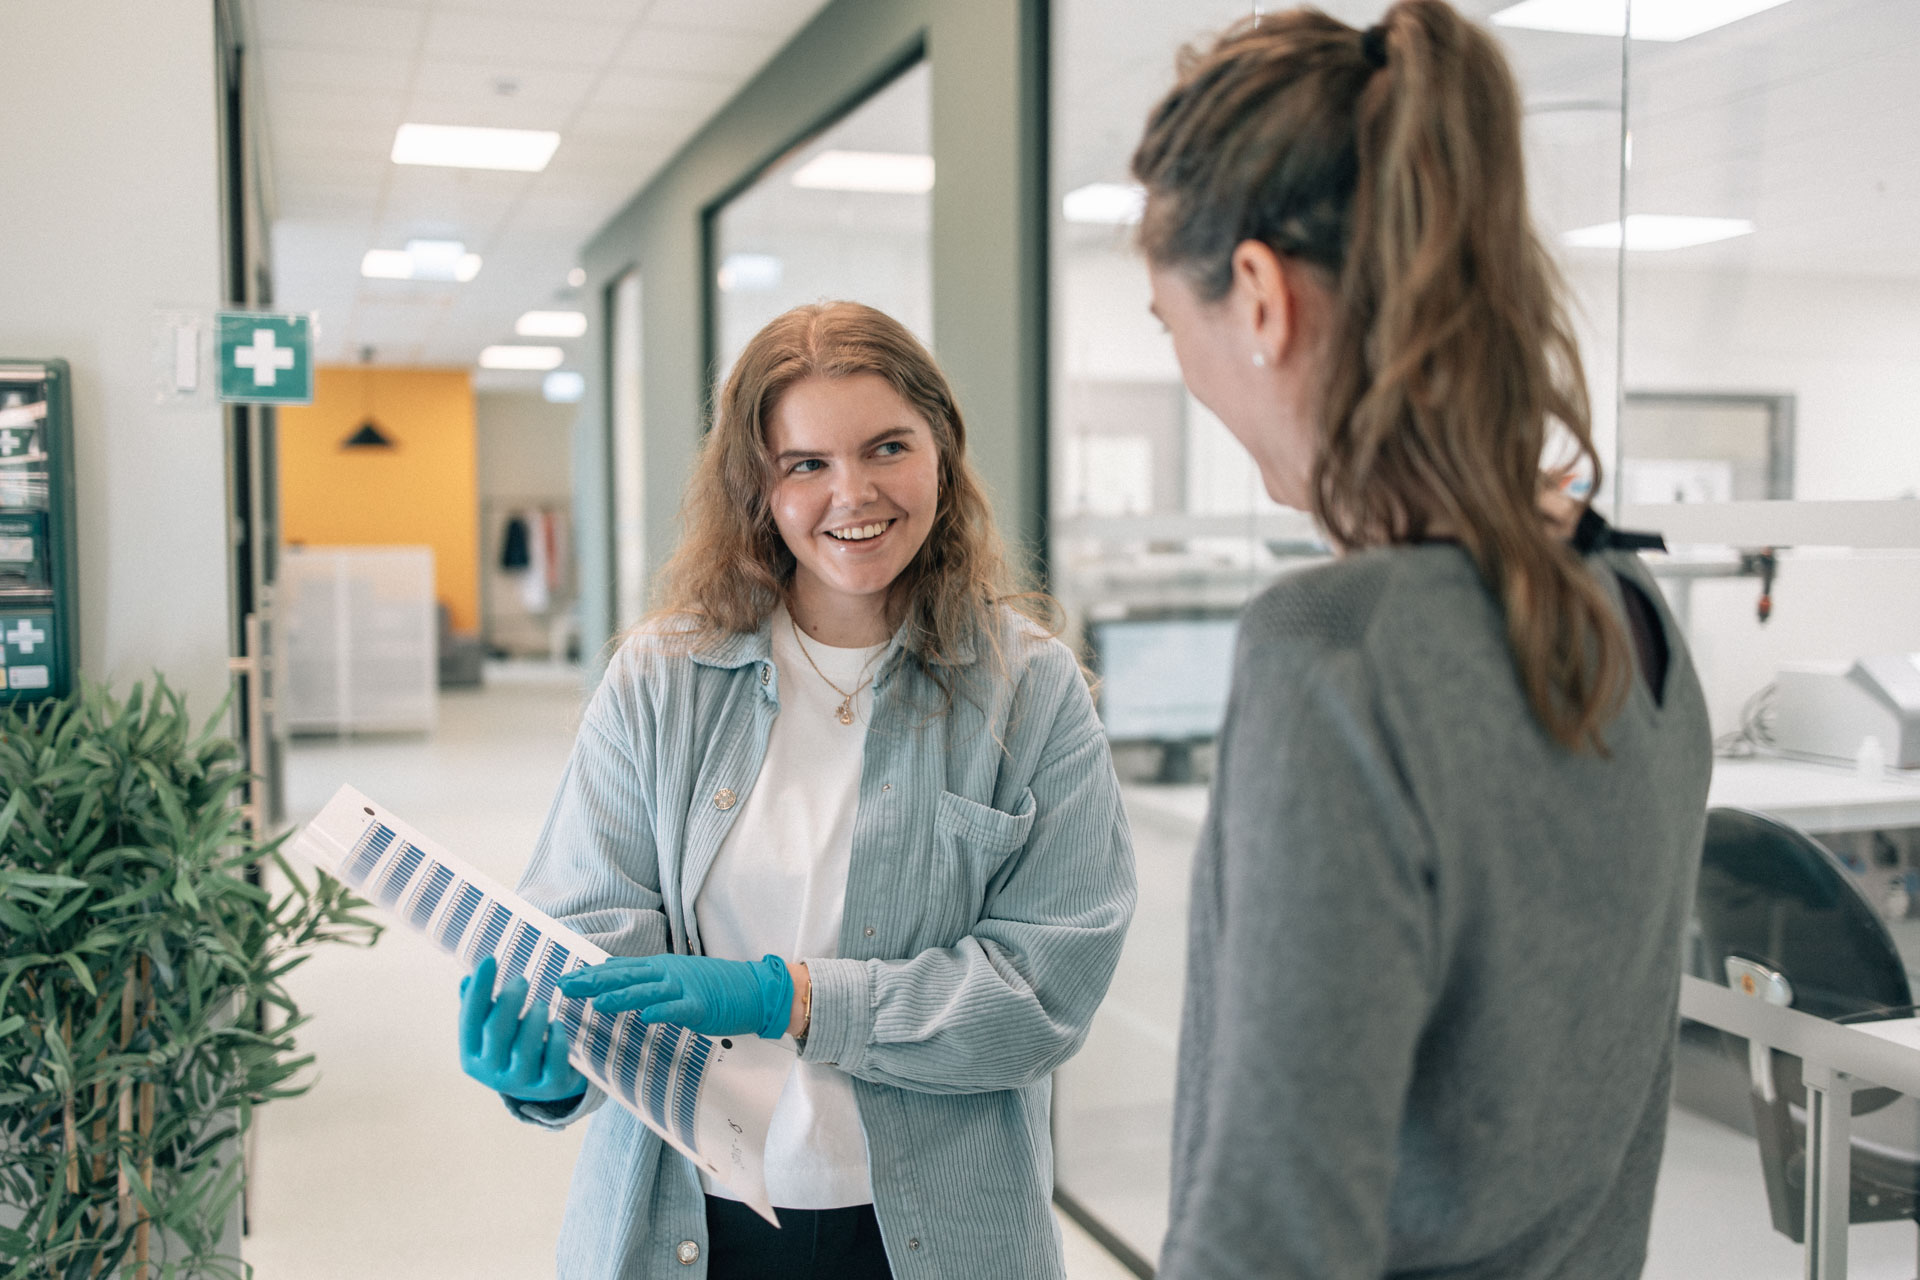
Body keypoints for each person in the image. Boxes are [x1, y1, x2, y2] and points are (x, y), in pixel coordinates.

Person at [1129, 4, 1712, 1277]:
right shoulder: (1634, 619)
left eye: (1173, 328)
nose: (1189, 369)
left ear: (1261, 300)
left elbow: (1271, 1236)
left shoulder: (1340, 652)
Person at [453, 300, 1136, 1280]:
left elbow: (1042, 991)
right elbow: (588, 935)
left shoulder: (1028, 691)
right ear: (758, 489)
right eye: (805, 463)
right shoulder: (658, 682)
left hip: (938, 1231)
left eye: (887, 446)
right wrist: (554, 1067)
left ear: (942, 450)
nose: (852, 493)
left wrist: (796, 996)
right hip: (690, 1219)